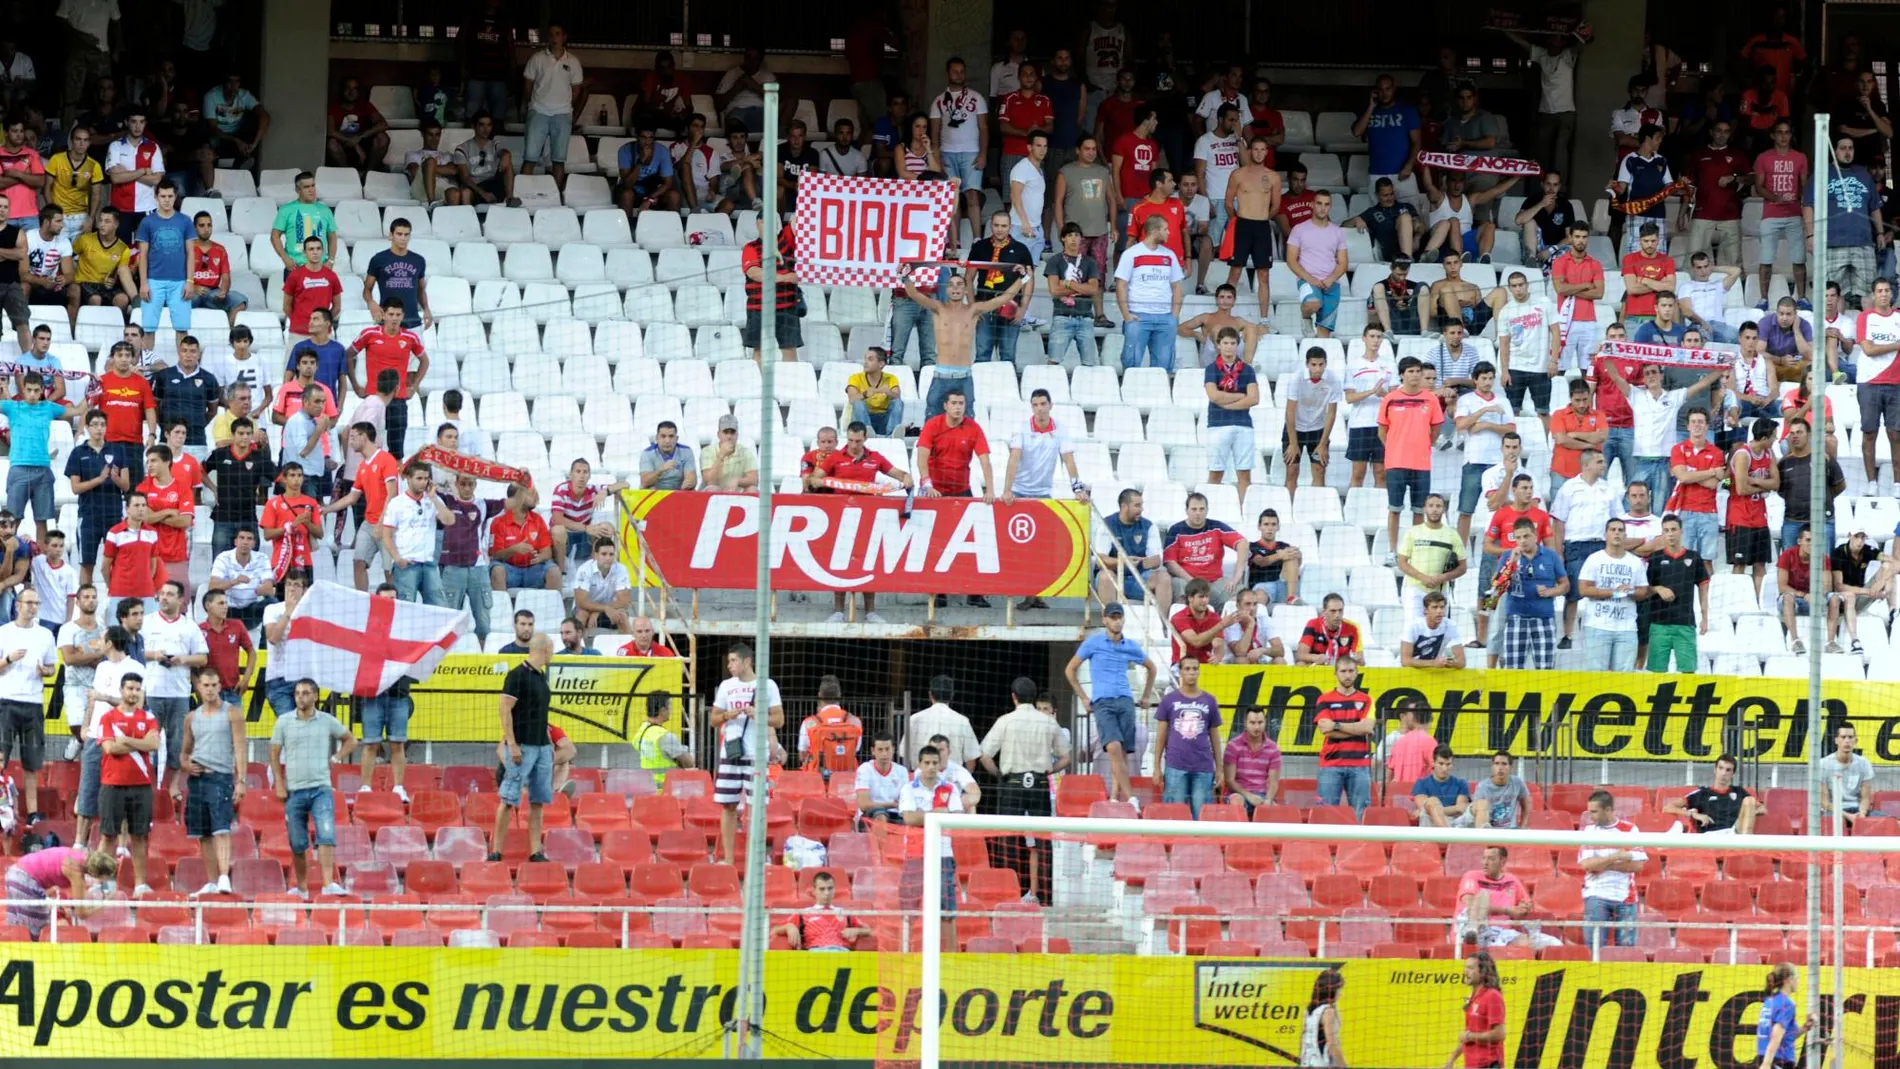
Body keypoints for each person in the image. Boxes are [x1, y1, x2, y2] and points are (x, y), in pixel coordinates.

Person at [978, 676, 1065, 903]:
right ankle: (1045, 898)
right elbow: (1066, 757)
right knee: (1043, 840)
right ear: (1034, 697)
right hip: (1039, 784)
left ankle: (1008, 895)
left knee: (1008, 840)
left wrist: (999, 776)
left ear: (1013, 697)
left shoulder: (1005, 721)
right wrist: (1048, 771)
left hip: (1012, 783)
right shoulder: (1048, 722)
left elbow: (984, 755)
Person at [901, 268, 1029, 420]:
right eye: (951, 284)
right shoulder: (938, 308)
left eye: (959, 284)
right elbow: (914, 294)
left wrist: (1023, 277)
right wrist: (905, 276)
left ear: (966, 289)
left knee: (967, 421)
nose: (955, 287)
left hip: (964, 376)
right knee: (932, 420)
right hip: (941, 375)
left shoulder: (973, 310)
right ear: (946, 289)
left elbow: (1003, 298)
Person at [271, 677, 355, 898]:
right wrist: (279, 783)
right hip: (294, 790)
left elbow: (351, 740)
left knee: (326, 834)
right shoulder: (283, 721)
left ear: (316, 696)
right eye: (298, 693)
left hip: (321, 788)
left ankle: (328, 884)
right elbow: (273, 753)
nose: (301, 697)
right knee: (297, 843)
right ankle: (303, 888)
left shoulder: (327, 720)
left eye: (306, 693)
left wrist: (336, 758)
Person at [171, 666, 244, 896]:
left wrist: (241, 781)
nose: (210, 690)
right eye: (206, 685)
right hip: (197, 780)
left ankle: (224, 878)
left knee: (221, 829)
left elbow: (241, 749)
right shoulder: (191, 717)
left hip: (221, 777)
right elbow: (183, 753)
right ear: (198, 687)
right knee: (202, 833)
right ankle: (212, 880)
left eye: (214, 685)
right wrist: (186, 765)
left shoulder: (232, 713)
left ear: (220, 686)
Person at [710, 643, 785, 864]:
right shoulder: (726, 686)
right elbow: (714, 719)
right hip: (731, 753)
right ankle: (730, 858)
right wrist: (726, 715)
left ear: (747, 661)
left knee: (757, 808)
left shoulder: (767, 685)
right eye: (729, 661)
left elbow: (779, 720)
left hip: (756, 753)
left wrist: (758, 715)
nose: (729, 665)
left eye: (733, 660)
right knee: (728, 804)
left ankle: (756, 859)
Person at [489, 631, 555, 864]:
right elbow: (504, 709)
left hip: (542, 746)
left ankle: (535, 851)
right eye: (552, 649)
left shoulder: (541, 676)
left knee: (537, 800)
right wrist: (512, 744)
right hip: (523, 746)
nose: (553, 654)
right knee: (508, 799)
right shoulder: (516, 675)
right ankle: (495, 851)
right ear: (545, 649)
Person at [1378, 357, 1444, 563]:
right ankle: (1391, 550)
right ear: (1402, 374)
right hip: (1396, 463)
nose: (1415, 375)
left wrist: (1422, 445)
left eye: (1417, 371)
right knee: (1395, 509)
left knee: (1418, 510)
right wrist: (1396, 448)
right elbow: (1382, 431)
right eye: (1411, 371)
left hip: (1421, 463)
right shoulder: (1390, 398)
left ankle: (1413, 551)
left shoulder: (1430, 399)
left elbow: (1436, 429)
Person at [899, 743, 965, 942]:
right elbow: (909, 818)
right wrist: (937, 815)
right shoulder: (909, 788)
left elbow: (956, 818)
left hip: (943, 855)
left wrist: (924, 817)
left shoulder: (949, 788)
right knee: (909, 910)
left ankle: (951, 959)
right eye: (927, 762)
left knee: (947, 911)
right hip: (915, 854)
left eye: (935, 763)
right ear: (919, 764)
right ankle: (907, 956)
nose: (931, 767)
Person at [0, 587, 56, 822]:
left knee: (32, 762)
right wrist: (9, 659)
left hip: (33, 703)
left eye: (36, 603)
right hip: (6, 700)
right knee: (1, 757)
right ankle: (3, 806)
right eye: (29, 603)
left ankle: (32, 812)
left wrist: (45, 671)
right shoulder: (3, 632)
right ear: (17, 604)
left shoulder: (45, 635)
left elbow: (52, 667)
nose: (33, 607)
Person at [1112, 215, 1185, 370]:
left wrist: (1174, 316)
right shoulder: (1131, 253)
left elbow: (1177, 286)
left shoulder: (1169, 255)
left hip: (1165, 317)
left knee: (1164, 368)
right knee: (1131, 364)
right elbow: (1121, 285)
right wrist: (1126, 315)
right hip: (1138, 316)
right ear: (1154, 231)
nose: (1168, 233)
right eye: (1165, 229)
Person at [1500, 517, 1568, 670]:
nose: (1522, 541)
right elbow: (1496, 585)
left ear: (1535, 535)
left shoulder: (1551, 556)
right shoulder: (1508, 556)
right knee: (1512, 671)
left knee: (1545, 671)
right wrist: (1511, 563)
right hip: (1516, 619)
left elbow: (1565, 585)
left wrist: (1551, 591)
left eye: (1526, 536)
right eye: (1518, 537)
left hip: (1544, 619)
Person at [1456, 847, 1551, 951]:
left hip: (1499, 932)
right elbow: (1470, 904)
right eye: (1484, 858)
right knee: (1483, 896)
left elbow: (1526, 903)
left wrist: (1524, 908)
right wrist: (1507, 910)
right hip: (1472, 925)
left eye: (1491, 859)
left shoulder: (1512, 880)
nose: (1485, 863)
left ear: (1502, 862)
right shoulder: (1472, 876)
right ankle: (1472, 932)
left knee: (1524, 943)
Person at [1314, 655, 1374, 816]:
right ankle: (1326, 843)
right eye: (1343, 671)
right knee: (1325, 813)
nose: (1347, 675)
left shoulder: (1367, 700)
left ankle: (1361, 843)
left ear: (1357, 673)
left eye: (1351, 671)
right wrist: (1357, 728)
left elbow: (1368, 727)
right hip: (1330, 765)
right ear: (1336, 673)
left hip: (1360, 765)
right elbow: (1326, 730)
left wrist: (1336, 725)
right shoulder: (1324, 699)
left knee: (1362, 813)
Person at [1286, 190, 1348, 337]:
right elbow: (1291, 260)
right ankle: (1305, 317)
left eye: (1326, 204)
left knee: (1324, 334)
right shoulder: (1299, 229)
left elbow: (1343, 263)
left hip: (1331, 284)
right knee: (1313, 303)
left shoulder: (1337, 232)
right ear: (1312, 205)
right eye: (1319, 203)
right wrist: (1311, 279)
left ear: (1330, 207)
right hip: (1308, 280)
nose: (1322, 208)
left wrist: (1330, 280)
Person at [1279, 346, 1336, 500]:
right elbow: (1289, 411)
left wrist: (1323, 443)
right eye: (1314, 365)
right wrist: (1293, 443)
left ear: (1326, 364)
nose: (1317, 369)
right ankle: (1288, 508)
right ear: (1307, 364)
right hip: (1295, 429)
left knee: (1319, 470)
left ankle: (1316, 507)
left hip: (1318, 429)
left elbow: (1331, 413)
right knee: (1292, 470)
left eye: (1321, 364)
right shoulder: (1296, 379)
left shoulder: (1332, 379)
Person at [1043, 224, 1102, 366]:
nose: (1073, 239)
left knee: (1089, 364)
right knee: (1053, 361)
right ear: (1063, 238)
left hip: (1086, 317)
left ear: (1081, 238)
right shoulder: (1055, 261)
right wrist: (1083, 288)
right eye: (1069, 235)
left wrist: (1069, 284)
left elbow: (1094, 289)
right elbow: (1055, 291)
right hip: (1062, 316)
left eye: (1076, 235)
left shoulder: (1090, 262)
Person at [1662, 753, 1763, 835]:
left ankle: (1744, 849)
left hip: (1734, 834)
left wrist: (1747, 814)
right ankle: (1745, 851)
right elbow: (1667, 807)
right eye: (1721, 768)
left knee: (1749, 801)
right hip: (1711, 837)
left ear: (1733, 774)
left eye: (1728, 770)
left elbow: (1762, 809)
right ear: (1715, 770)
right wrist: (1694, 814)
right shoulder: (1702, 793)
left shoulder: (1739, 792)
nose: (1723, 773)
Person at [776, 870, 869, 951]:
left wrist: (856, 931)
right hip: (815, 953)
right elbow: (775, 929)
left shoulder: (845, 913)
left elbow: (870, 931)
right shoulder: (804, 913)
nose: (826, 893)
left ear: (834, 890)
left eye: (830, 888)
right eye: (822, 889)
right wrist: (789, 927)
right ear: (814, 891)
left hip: (842, 953)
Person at [1448, 953, 1507, 1069]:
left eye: (1470, 968)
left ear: (1483, 972)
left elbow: (1500, 1034)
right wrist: (1451, 1060)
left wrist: (1471, 1036)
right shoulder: (1474, 997)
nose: (1465, 972)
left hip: (1489, 1064)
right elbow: (1467, 1035)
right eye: (1465, 967)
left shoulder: (1492, 996)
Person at [1220, 706, 1281, 815]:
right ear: (1245, 723)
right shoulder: (1233, 746)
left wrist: (1268, 800)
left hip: (1262, 795)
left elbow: (1273, 782)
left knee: (1280, 811)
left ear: (1265, 722)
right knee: (1237, 801)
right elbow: (1229, 780)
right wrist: (1249, 796)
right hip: (1238, 793)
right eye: (1252, 723)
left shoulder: (1273, 748)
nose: (1256, 727)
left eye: (1260, 722)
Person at [1756, 963, 1815, 1069]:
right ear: (1788, 980)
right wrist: (1767, 1063)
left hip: (1764, 1055)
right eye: (1797, 977)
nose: (1798, 980)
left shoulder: (1769, 1001)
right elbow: (1776, 1035)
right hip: (1779, 1060)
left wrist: (1805, 1027)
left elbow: (1787, 1036)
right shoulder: (1787, 1004)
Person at [1412, 744, 1472, 828]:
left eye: (1448, 764)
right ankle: (1446, 834)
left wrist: (1435, 810)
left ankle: (1446, 835)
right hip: (1430, 823)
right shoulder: (1421, 783)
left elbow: (1461, 809)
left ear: (1452, 764)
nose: (1444, 768)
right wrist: (1452, 809)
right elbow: (1425, 809)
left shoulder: (1461, 783)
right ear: (1433, 763)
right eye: (1441, 763)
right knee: (1432, 801)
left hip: (1453, 823)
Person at [1401, 590, 1465, 669]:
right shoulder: (1413, 626)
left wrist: (1450, 663)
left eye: (1442, 607)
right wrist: (1432, 663)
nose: (1439, 611)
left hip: (1432, 670)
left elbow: (1462, 662)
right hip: (1407, 671)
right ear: (1425, 611)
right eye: (1435, 607)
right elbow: (1405, 661)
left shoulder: (1450, 625)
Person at [854, 736, 907, 824]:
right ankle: (880, 838)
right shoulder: (864, 769)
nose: (884, 753)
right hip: (869, 815)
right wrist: (892, 804)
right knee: (880, 815)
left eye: (887, 749)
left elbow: (904, 801)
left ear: (893, 750)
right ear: (873, 751)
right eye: (880, 750)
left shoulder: (902, 771)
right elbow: (864, 805)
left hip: (896, 813)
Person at [1300, 968, 1347, 1068]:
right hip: (1321, 1063)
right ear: (1331, 990)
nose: (1341, 994)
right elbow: (1332, 1044)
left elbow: (1304, 1039)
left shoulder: (1308, 1010)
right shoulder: (1328, 1012)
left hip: (1307, 1062)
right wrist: (1343, 1065)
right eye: (1339, 990)